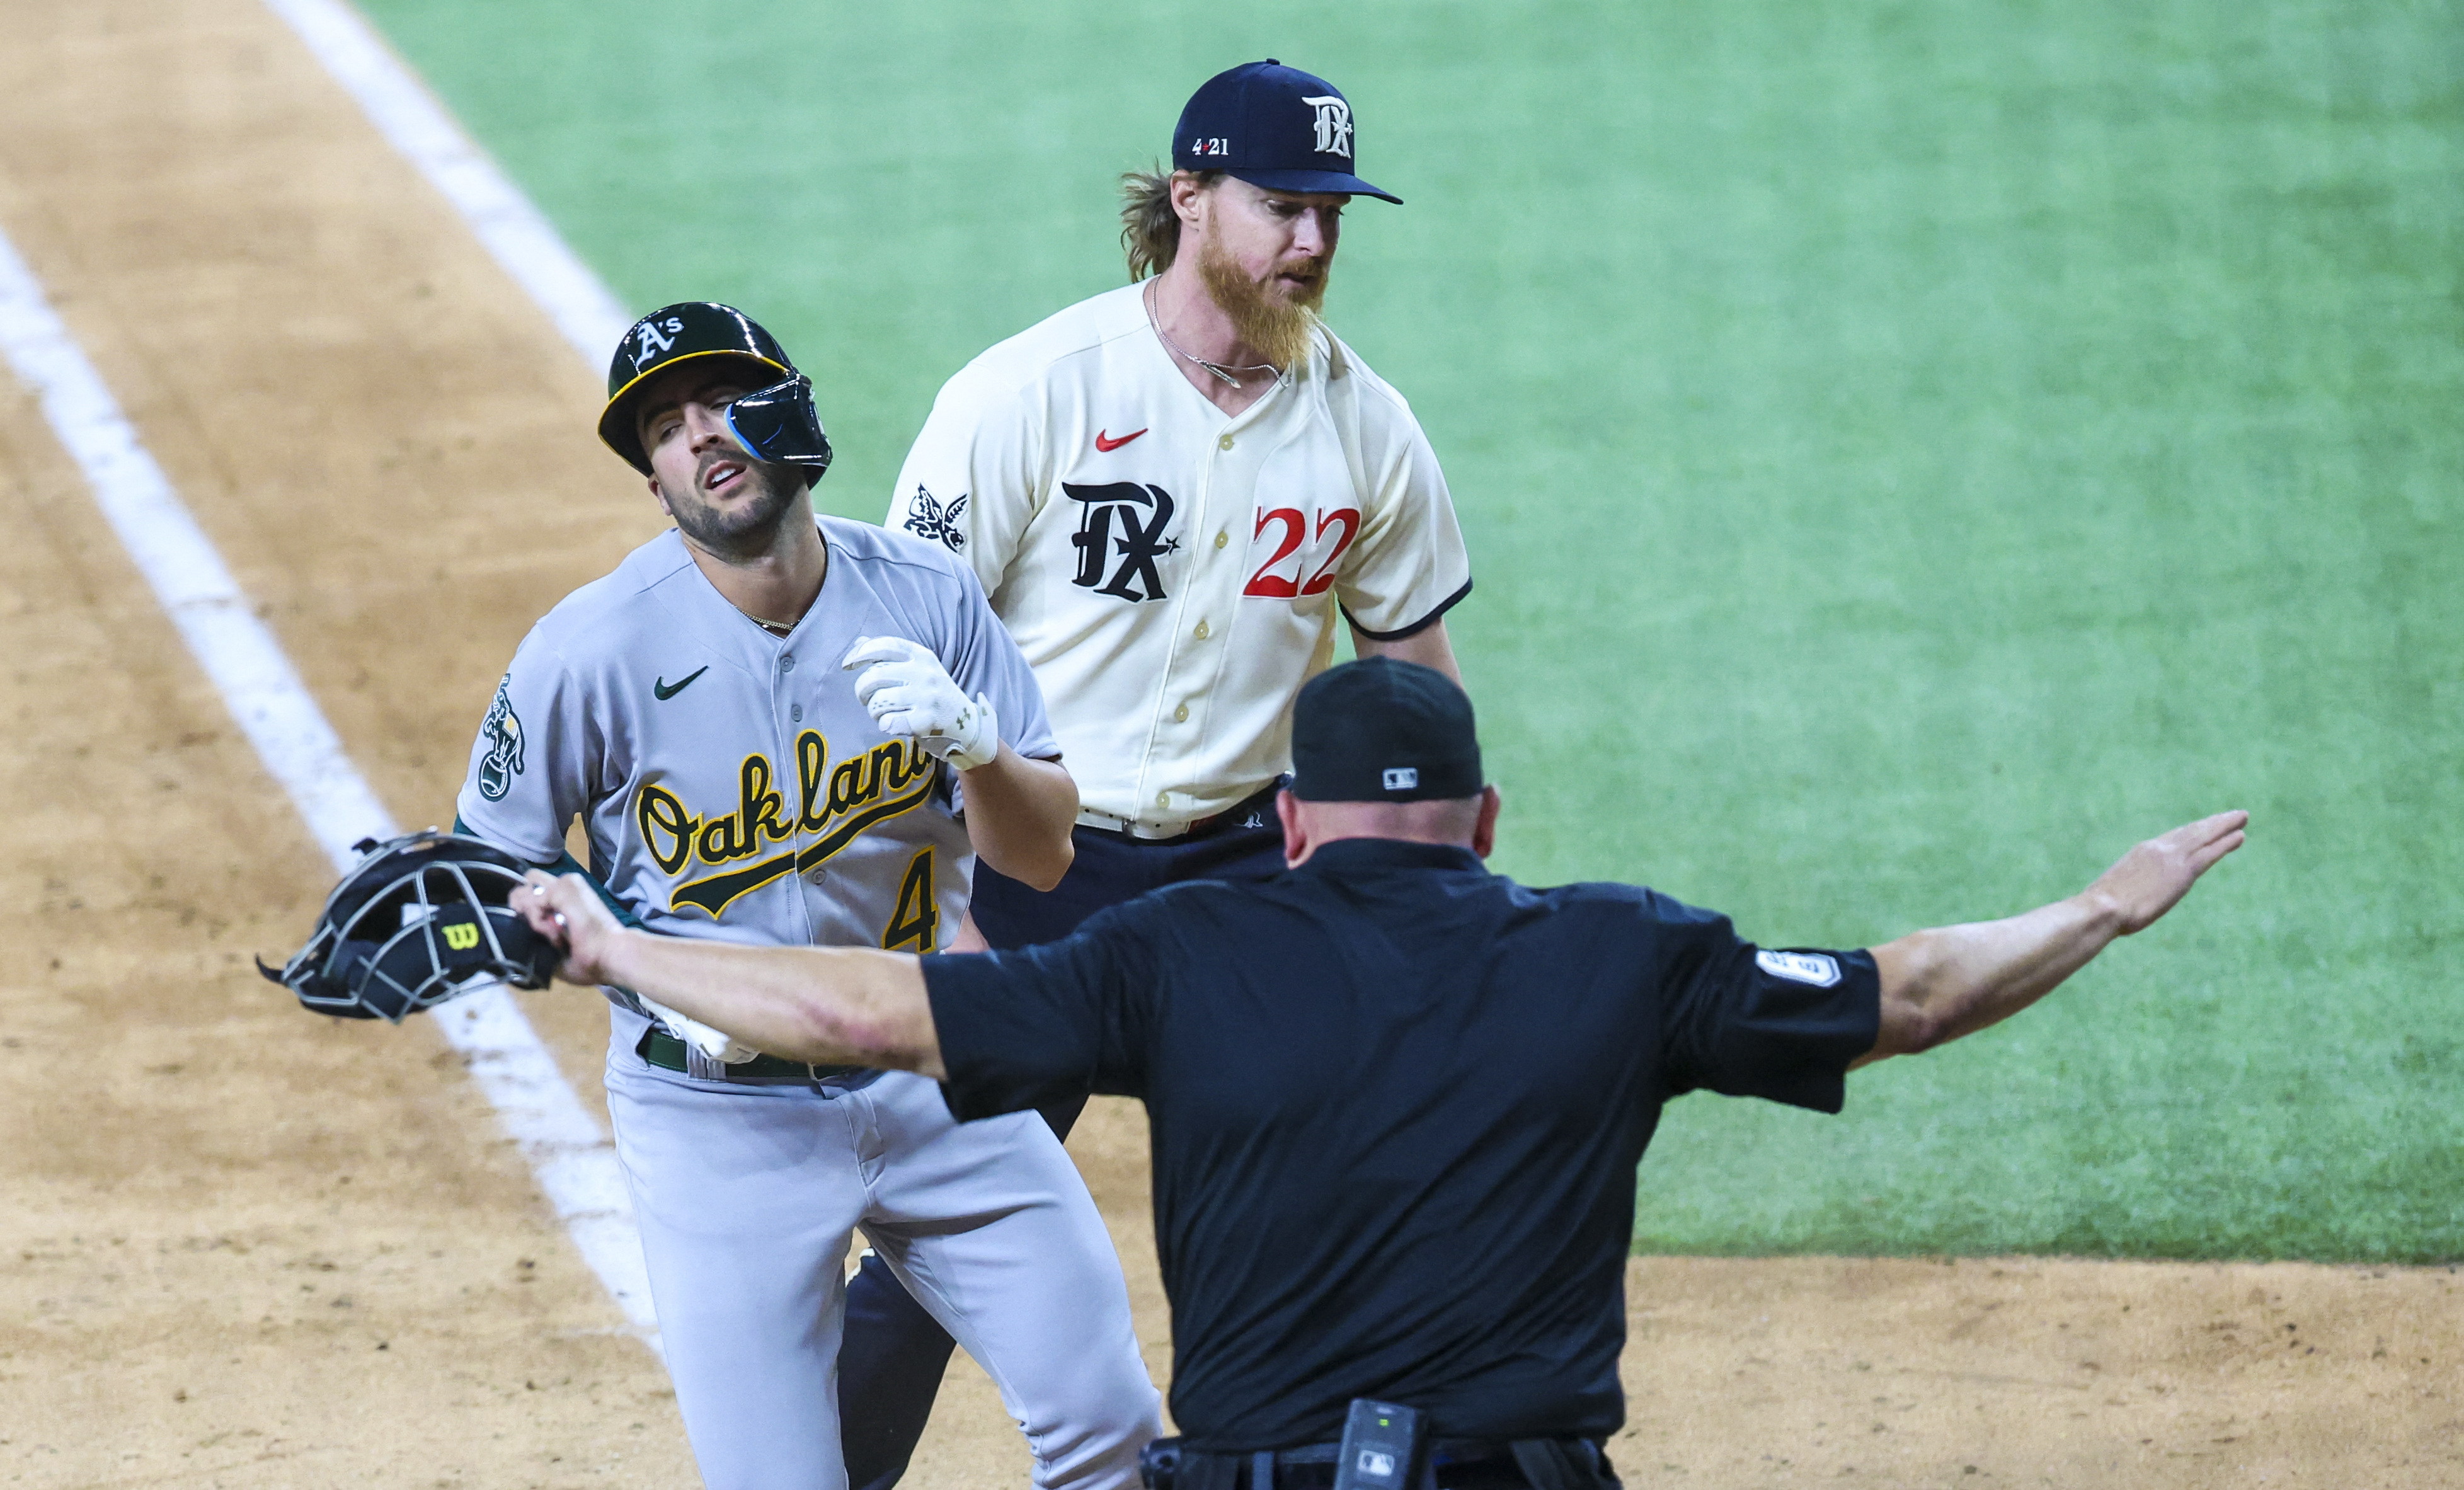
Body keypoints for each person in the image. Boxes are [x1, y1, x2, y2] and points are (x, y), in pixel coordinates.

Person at [512, 657, 2249, 1490]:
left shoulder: (1180, 949)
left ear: (1287, 827)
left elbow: (881, 1010)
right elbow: (1923, 989)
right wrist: (2106, 902)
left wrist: (616, 944)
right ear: (1485, 819)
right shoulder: (1623, 951)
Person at [852, 59, 1473, 1481]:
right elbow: (897, 664)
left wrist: (1436, 903)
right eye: (1281, 206)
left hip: (1251, 872)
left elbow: (1414, 691)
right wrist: (927, 894)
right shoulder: (1030, 394)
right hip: (1029, 859)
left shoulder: (1369, 430)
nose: (1311, 241)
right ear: (1189, 199)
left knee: (1326, 1210)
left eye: (1330, 212)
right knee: (948, 1226)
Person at [451, 301, 1160, 1490]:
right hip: (716, 1123)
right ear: (653, 480)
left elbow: (1042, 862)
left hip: (937, 1071)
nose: (701, 439)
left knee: (1118, 1433)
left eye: (723, 402)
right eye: (666, 432)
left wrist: (979, 749)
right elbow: (490, 869)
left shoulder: (925, 595)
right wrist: (608, 950)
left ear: (790, 407)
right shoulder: (591, 649)